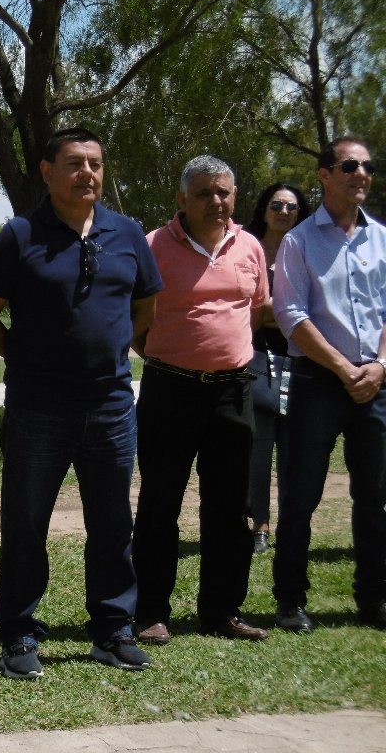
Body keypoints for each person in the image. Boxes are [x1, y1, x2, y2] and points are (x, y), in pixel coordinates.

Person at [0, 127, 162, 677]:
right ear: (47, 171)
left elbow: (144, 309)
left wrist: (111, 350)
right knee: (26, 524)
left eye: (95, 163)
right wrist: (24, 357)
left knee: (113, 523)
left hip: (111, 407)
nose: (87, 173)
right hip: (38, 409)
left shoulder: (127, 233)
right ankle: (18, 635)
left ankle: (113, 630)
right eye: (75, 163)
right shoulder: (21, 234)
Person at [132, 155, 270, 645]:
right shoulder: (153, 245)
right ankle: (150, 612)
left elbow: (254, 312)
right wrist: (174, 355)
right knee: (159, 502)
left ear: (235, 196)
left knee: (230, 506)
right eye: (205, 193)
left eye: (224, 192)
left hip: (233, 392)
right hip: (169, 389)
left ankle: (222, 611)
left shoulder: (250, 246)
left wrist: (221, 353)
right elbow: (136, 320)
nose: (216, 201)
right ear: (182, 200)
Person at [272, 137, 386, 633]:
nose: (362, 174)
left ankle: (375, 598)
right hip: (319, 381)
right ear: (324, 175)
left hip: (376, 382)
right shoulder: (299, 241)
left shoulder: (382, 239)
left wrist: (380, 365)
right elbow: (291, 315)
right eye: (350, 165)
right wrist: (343, 368)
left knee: (375, 495)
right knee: (301, 496)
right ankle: (290, 601)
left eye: (368, 167)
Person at [244, 184, 311, 553]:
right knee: (258, 450)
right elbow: (248, 309)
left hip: (302, 361)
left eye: (292, 206)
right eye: (276, 204)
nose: (284, 211)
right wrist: (286, 313)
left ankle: (290, 526)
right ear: (264, 209)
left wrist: (276, 312)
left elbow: (312, 309)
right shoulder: (249, 248)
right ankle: (260, 526)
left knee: (294, 451)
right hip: (255, 361)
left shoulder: (307, 251)